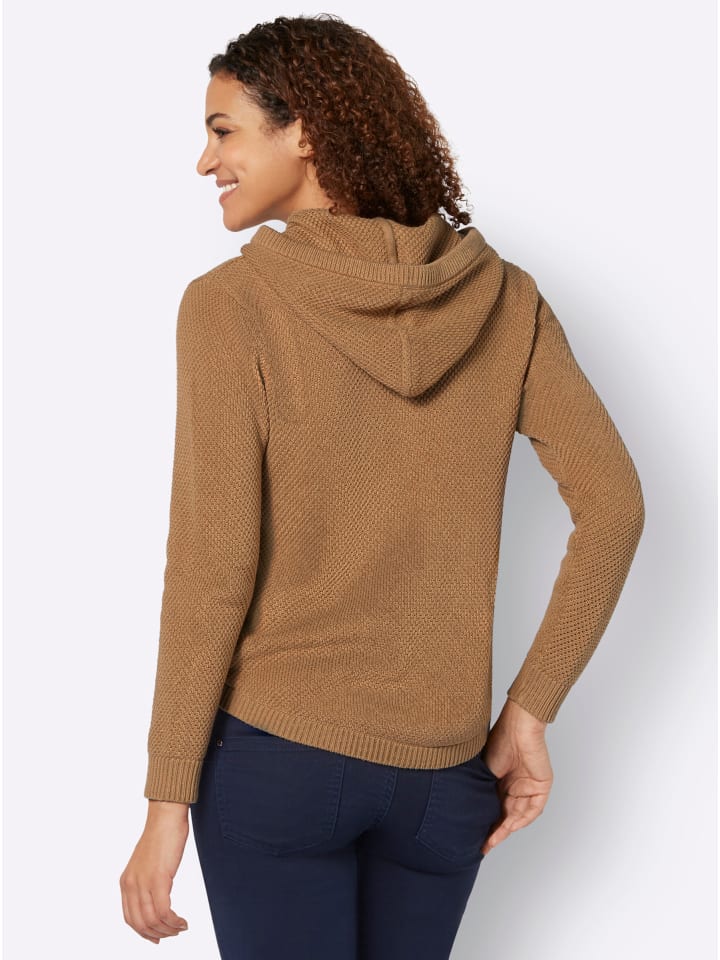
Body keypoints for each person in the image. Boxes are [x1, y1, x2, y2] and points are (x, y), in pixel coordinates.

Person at [119, 13, 645, 959]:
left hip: (278, 762)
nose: (206, 160)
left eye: (223, 130)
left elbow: (212, 566)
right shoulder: (504, 297)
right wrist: (528, 714)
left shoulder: (232, 307)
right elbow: (616, 507)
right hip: (444, 781)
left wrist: (166, 802)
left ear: (303, 131)